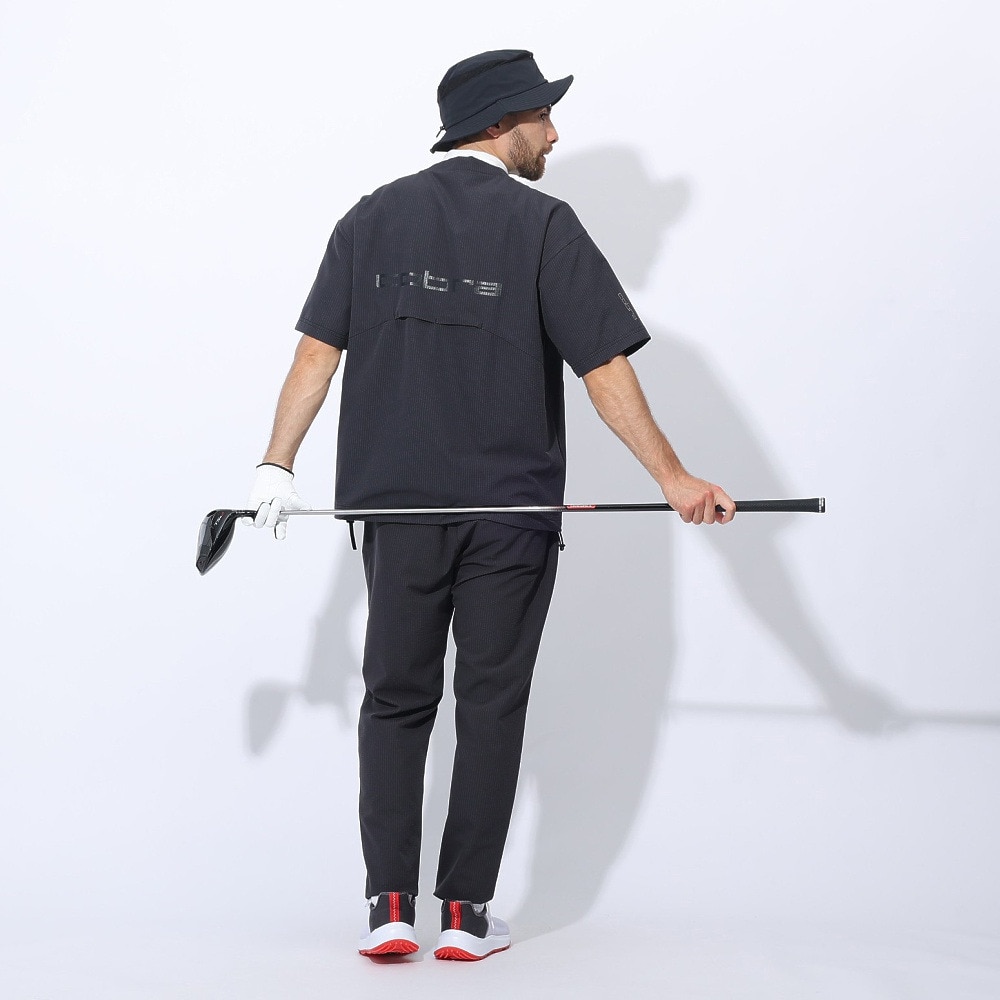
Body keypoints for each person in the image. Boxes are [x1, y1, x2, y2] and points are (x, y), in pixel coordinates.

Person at [245, 48, 735, 961]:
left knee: (395, 700)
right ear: (502, 122)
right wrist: (673, 479)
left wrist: (276, 466)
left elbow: (317, 353)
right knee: (491, 704)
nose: (554, 133)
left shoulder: (371, 216)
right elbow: (603, 368)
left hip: (397, 513)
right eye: (542, 116)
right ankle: (466, 916)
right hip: (509, 515)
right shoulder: (543, 223)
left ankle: (390, 906)